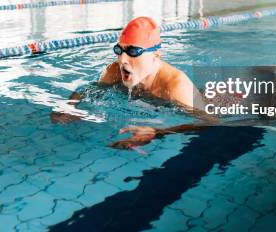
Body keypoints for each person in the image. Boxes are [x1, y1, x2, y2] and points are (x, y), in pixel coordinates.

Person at [51, 16, 208, 149]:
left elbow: (208, 123)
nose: (122, 60)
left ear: (156, 55)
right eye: (119, 50)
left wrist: (158, 132)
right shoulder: (114, 71)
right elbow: (88, 90)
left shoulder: (176, 86)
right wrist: (69, 105)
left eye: (133, 52)